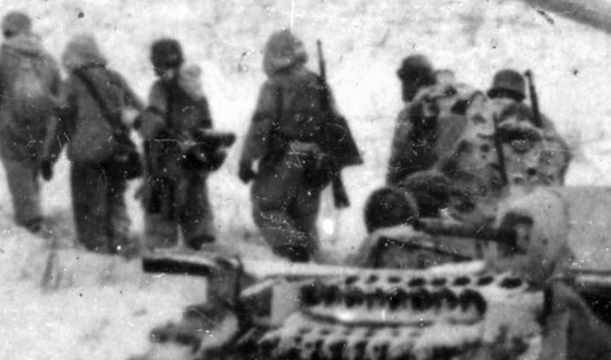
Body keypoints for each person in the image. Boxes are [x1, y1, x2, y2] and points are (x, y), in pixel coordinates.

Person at [238, 28, 359, 261]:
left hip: (285, 157)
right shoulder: (318, 82)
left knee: (267, 208)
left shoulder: (274, 85)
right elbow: (334, 123)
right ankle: (311, 268)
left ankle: (294, 253)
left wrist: (246, 159)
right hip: (316, 160)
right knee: (303, 218)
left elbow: (261, 125)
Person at [0, 10, 64, 234]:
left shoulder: (2, 56)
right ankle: (33, 212)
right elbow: (59, 93)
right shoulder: (45, 57)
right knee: (31, 169)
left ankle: (30, 220)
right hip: (40, 125)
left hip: (10, 125)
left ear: (7, 30)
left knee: (18, 170)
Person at [55, 32, 140, 255]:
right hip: (116, 151)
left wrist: (48, 156)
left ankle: (97, 249)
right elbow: (140, 111)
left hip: (86, 155)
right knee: (116, 199)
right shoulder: (115, 78)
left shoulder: (72, 83)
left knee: (88, 205)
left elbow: (61, 124)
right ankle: (121, 243)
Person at [138, 37, 222, 252]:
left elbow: (152, 125)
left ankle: (162, 261)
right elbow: (207, 125)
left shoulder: (160, 89)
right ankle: (203, 249)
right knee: (197, 210)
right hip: (195, 161)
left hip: (166, 163)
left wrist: (140, 122)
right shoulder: (196, 89)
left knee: (161, 215)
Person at [386, 54, 449, 184]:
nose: (402, 87)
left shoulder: (409, 111)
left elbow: (398, 157)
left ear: (415, 80)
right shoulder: (447, 103)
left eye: (404, 80)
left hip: (419, 185)